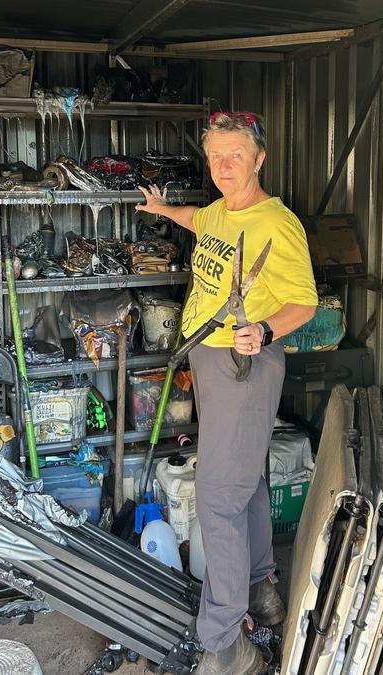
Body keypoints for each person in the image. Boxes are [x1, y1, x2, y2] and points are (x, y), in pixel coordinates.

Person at [137, 111, 317, 675]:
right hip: (211, 360)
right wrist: (163, 209)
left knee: (217, 497)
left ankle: (223, 645)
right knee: (248, 481)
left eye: (235, 155)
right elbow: (201, 219)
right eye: (215, 155)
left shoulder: (278, 224)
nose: (222, 166)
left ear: (260, 159)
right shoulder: (222, 210)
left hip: (246, 366)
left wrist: (264, 330)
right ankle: (263, 586)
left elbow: (305, 303)